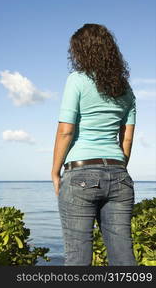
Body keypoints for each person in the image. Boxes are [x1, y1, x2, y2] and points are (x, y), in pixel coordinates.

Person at [51, 24, 137, 266]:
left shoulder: (77, 80)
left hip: (80, 174)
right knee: (123, 257)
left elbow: (66, 131)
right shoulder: (125, 89)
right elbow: (127, 139)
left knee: (78, 257)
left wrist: (54, 171)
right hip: (120, 174)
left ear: (79, 51)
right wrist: (117, 168)